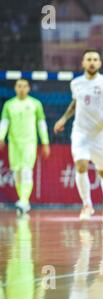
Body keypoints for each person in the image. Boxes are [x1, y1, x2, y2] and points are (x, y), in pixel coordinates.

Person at [54, 49, 103, 225]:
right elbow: (75, 103)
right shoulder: (76, 83)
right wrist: (63, 118)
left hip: (100, 134)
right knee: (81, 165)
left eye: (95, 59)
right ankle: (87, 205)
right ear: (83, 63)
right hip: (80, 132)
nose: (92, 62)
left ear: (100, 63)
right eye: (89, 59)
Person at [0, 79, 51, 215]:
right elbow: (4, 123)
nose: (21, 88)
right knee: (17, 172)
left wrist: (45, 142)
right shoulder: (9, 105)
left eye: (24, 86)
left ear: (28, 88)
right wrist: (1, 137)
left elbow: (41, 124)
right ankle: (24, 202)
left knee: (26, 171)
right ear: (15, 88)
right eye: (19, 86)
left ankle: (23, 200)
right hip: (14, 143)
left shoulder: (35, 104)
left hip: (29, 142)